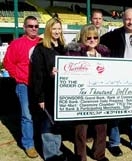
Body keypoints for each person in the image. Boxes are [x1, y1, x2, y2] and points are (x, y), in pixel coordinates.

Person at [100, 8, 132, 157]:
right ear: (123, 20)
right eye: (128, 19)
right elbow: (100, 50)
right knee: (116, 113)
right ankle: (114, 143)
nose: (131, 22)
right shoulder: (112, 36)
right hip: (118, 81)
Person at [66, 24, 110, 161]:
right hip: (82, 95)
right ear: (82, 38)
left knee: (101, 127)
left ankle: (99, 154)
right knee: (81, 128)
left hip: (100, 95)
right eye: (88, 37)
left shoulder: (104, 53)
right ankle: (80, 156)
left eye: (95, 37)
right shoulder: (74, 52)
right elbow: (68, 71)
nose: (92, 40)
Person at [30, 17, 68, 161]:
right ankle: (50, 155)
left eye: (59, 28)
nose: (57, 31)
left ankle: (56, 150)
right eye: (54, 28)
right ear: (48, 30)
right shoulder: (40, 48)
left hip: (61, 93)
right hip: (47, 92)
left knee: (57, 123)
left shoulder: (63, 47)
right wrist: (40, 97)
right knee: (47, 123)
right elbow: (37, 75)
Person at [3, 15, 40, 158]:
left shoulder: (43, 42)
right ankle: (29, 144)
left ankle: (38, 140)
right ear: (25, 28)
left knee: (39, 114)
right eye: (30, 26)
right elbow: (8, 62)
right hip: (24, 85)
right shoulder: (17, 44)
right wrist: (18, 77)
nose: (33, 29)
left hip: (39, 86)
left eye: (36, 26)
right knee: (27, 116)